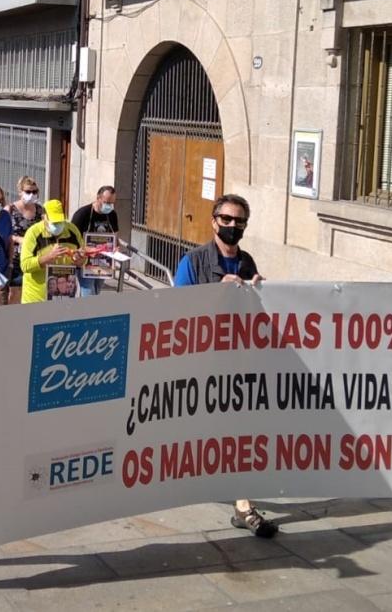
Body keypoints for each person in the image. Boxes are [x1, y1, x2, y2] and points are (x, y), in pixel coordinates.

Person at [172, 193, 277, 538]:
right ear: (214, 221)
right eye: (227, 220)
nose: (233, 226)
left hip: (239, 364)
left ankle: (243, 504)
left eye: (240, 221)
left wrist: (261, 294)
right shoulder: (193, 262)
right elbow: (177, 314)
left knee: (240, 433)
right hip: (202, 364)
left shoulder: (247, 262)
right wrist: (216, 292)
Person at [18, 200, 86, 304]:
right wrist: (48, 257)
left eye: (60, 221)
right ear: (43, 217)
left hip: (63, 298)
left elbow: (84, 259)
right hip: (36, 298)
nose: (58, 225)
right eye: (54, 222)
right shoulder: (33, 233)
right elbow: (25, 265)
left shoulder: (72, 230)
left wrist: (79, 260)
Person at [71, 186, 119, 296]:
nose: (110, 206)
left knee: (97, 291)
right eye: (107, 202)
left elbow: (115, 236)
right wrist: (85, 249)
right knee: (88, 292)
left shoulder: (112, 214)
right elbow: (72, 239)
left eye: (112, 203)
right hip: (85, 261)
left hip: (103, 262)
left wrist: (116, 247)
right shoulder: (82, 214)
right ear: (98, 198)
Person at [6, 177, 45, 304]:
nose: (31, 195)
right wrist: (19, 239)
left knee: (31, 292)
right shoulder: (10, 209)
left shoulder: (41, 211)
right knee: (15, 293)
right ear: (20, 192)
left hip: (34, 257)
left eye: (34, 192)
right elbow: (5, 234)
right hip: (16, 257)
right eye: (28, 192)